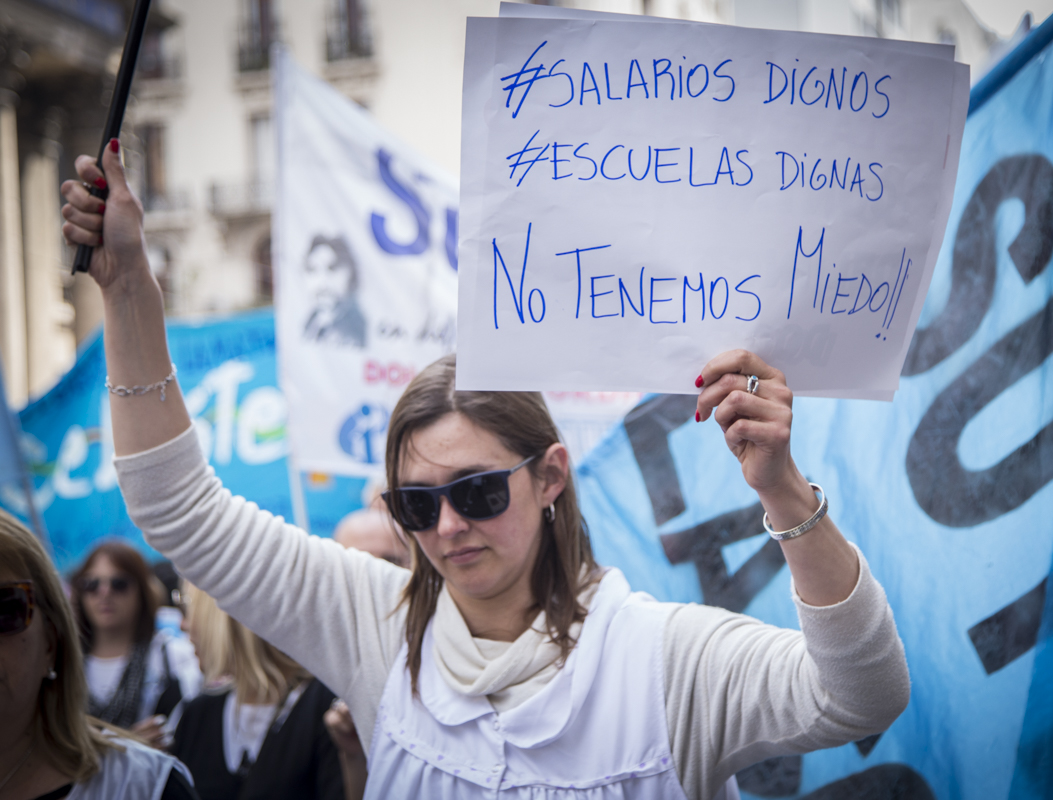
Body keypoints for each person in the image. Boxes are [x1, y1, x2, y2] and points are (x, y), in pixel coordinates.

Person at [62, 140, 909, 799]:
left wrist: (780, 489)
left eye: (476, 491)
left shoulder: (666, 659)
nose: (448, 526)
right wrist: (129, 288)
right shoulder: (373, 627)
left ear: (550, 477)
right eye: (415, 504)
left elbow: (862, 695)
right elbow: (176, 508)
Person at [0, 509, 198, 799]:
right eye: (91, 585)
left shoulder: (147, 784)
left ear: (50, 643)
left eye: (5, 608)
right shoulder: (81, 661)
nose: (104, 594)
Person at [171, 583, 343, 800]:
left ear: (226, 617)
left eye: (188, 607)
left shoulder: (327, 709)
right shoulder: (198, 714)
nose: (183, 625)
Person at [70, 542, 202, 748]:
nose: (104, 593)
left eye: (119, 584)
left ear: (142, 589)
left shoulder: (173, 656)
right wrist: (126, 745)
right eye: (91, 584)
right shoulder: (61, 662)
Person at [325, 505, 413, 800]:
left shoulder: (446, 658)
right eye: (357, 565)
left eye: (390, 562)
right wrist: (354, 756)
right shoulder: (311, 671)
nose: (375, 578)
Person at [302, 234, 366, 348]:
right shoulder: (312, 322)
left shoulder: (355, 327)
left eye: (332, 268)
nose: (322, 282)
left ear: (350, 272)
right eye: (312, 269)